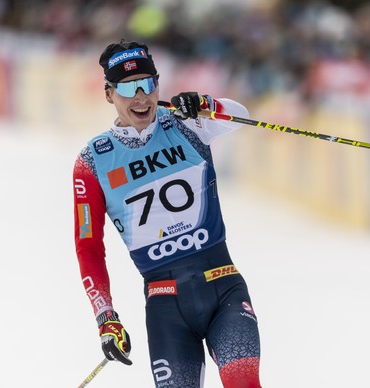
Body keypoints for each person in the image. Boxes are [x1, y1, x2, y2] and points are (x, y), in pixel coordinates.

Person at [72, 39, 262, 388]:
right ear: (108, 94)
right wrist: (105, 317)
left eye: (148, 83)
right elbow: (88, 247)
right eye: (128, 88)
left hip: (223, 288)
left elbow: (243, 117)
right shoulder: (92, 162)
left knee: (244, 382)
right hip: (166, 308)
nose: (141, 97)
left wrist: (206, 104)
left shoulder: (187, 123)